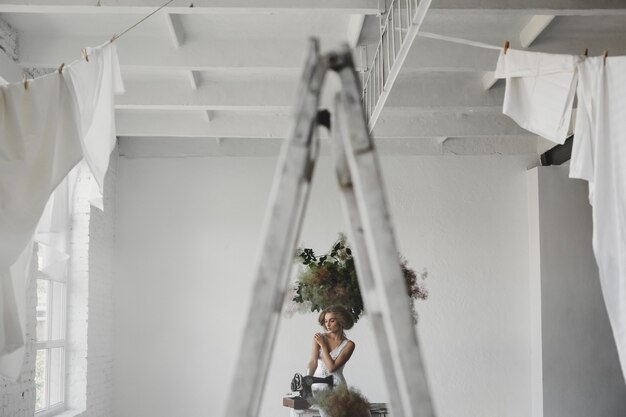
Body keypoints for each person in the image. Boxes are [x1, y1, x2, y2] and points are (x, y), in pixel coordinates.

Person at [306, 305, 356, 389]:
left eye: (332, 321)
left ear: (341, 321)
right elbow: (313, 362)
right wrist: (306, 380)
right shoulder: (318, 338)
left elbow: (331, 368)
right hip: (316, 386)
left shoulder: (349, 345)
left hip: (337, 388)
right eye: (326, 321)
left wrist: (323, 345)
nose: (328, 324)